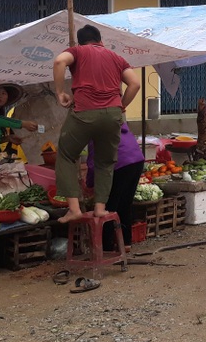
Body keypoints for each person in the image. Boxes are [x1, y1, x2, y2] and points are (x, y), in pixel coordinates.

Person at [52, 24, 141, 224]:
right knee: (106, 162)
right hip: (112, 115)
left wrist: (60, 93)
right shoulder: (116, 58)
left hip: (84, 112)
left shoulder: (77, 51)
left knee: (66, 155)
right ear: (101, 41)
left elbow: (59, 61)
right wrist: (122, 106)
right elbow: (135, 83)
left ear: (80, 42)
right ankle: (100, 208)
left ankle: (74, 209)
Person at [85, 123, 144, 253]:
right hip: (136, 160)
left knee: (108, 206)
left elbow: (93, 164)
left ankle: (107, 247)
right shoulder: (116, 122)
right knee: (125, 203)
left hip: (120, 164)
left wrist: (89, 184)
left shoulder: (94, 130)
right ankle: (126, 243)